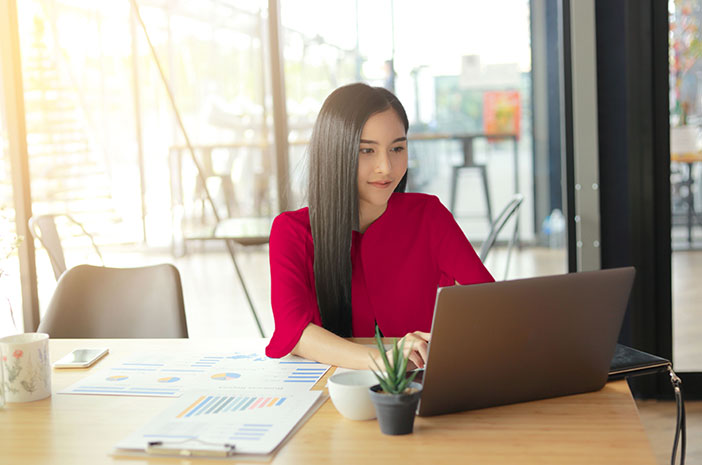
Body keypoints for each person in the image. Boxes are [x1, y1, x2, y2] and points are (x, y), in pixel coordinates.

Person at [265, 83, 494, 370]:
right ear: (335, 153)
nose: (386, 166)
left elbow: (490, 306)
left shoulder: (428, 215)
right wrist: (387, 361)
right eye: (366, 151)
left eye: (397, 148)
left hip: (415, 393)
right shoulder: (291, 232)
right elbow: (296, 333)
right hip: (331, 390)